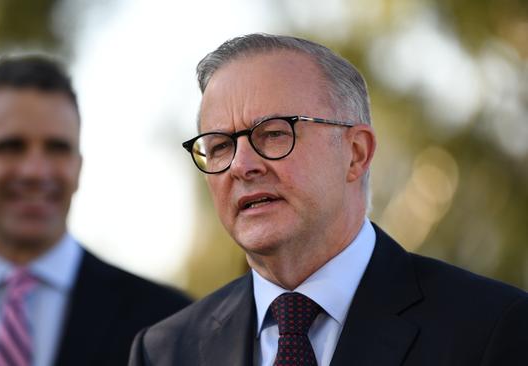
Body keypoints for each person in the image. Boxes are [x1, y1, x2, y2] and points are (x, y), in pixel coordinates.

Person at [129, 33, 528, 365]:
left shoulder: (491, 329)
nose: (241, 165)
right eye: (218, 147)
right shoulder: (164, 352)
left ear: (355, 153)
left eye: (273, 134)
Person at [0, 55, 190, 366]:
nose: (35, 171)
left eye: (57, 148)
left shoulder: (168, 325)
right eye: (11, 146)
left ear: (78, 168)